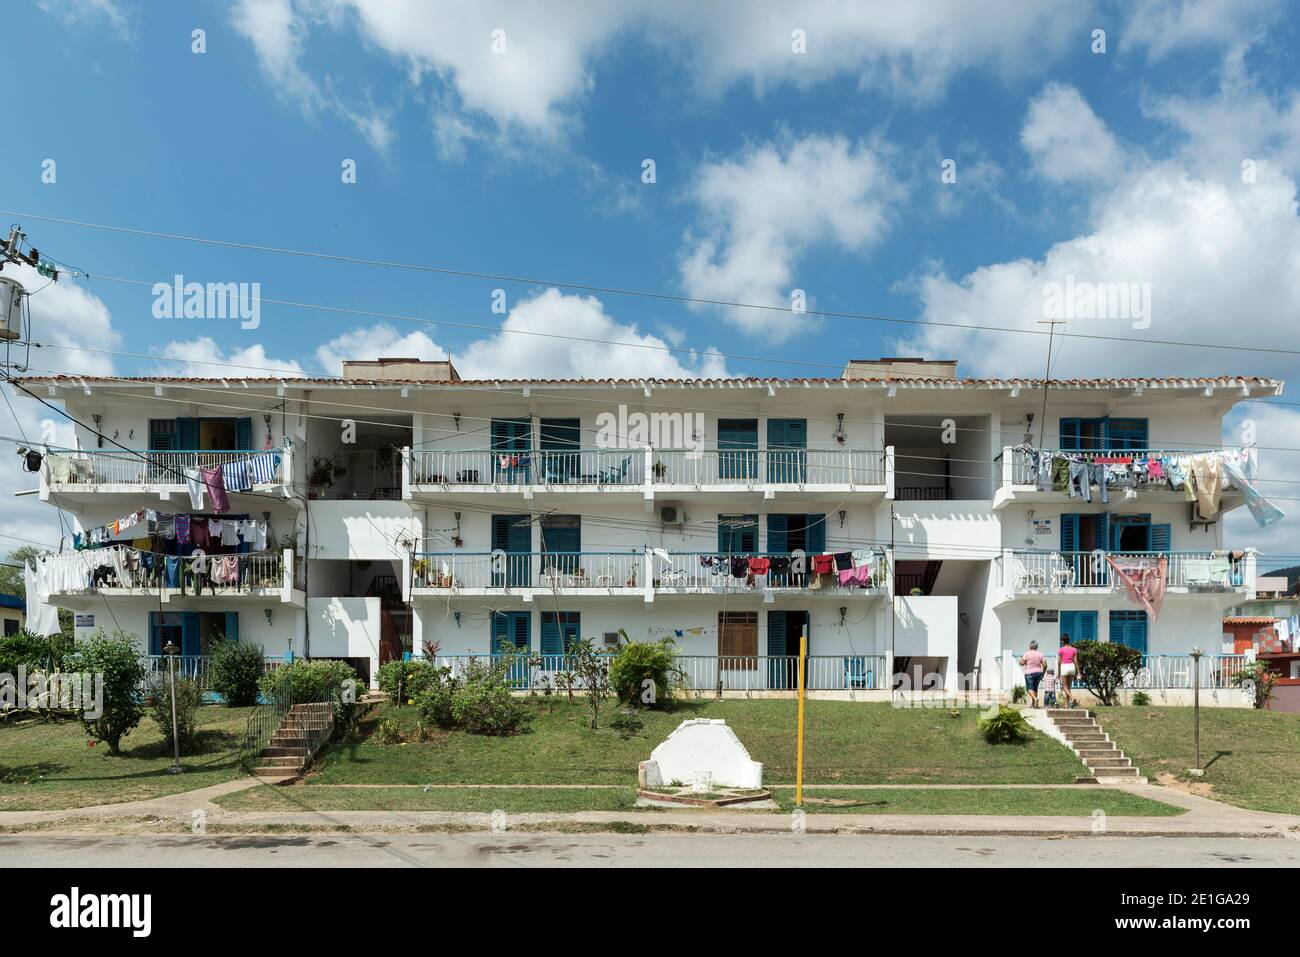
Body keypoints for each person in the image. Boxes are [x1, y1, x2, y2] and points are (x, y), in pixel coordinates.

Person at [1018, 640, 1046, 708]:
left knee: (1029, 688)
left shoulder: (1027, 653)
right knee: (1035, 688)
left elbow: (1022, 663)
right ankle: (1034, 704)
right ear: (1037, 647)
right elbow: (1045, 664)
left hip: (1029, 673)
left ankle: (1035, 699)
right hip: (1038, 673)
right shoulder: (1040, 654)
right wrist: (1043, 673)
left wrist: (1021, 662)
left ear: (1030, 646)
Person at [1058, 635, 1081, 708]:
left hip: (1064, 666)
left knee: (1064, 686)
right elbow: (1076, 661)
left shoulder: (1061, 649)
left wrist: (1058, 673)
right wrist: (1078, 672)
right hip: (1072, 667)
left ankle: (1072, 698)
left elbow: (1059, 662)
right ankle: (1067, 704)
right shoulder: (1074, 649)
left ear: (1063, 641)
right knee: (1068, 687)